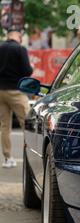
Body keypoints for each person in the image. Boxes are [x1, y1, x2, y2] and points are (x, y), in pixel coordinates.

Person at [0, 28, 33, 168]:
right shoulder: (20, 49)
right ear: (18, 36)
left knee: (5, 126)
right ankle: (31, 156)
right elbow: (27, 71)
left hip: (0, 91)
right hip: (16, 91)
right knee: (27, 123)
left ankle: (8, 158)